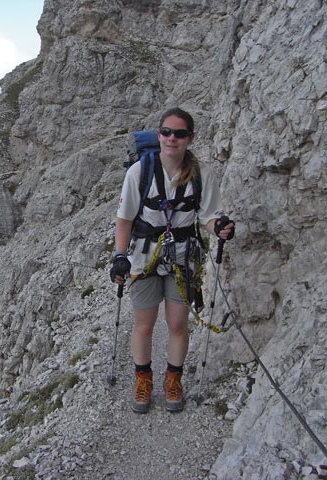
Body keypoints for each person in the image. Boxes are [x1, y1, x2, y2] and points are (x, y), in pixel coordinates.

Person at [110, 107, 234, 413]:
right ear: (158, 134)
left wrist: (217, 227)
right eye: (166, 132)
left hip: (181, 256)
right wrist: (119, 256)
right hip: (143, 257)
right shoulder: (139, 172)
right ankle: (143, 380)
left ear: (190, 138)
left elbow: (207, 216)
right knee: (144, 324)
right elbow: (124, 220)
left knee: (178, 323)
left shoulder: (202, 175)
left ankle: (173, 380)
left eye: (179, 133)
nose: (171, 139)